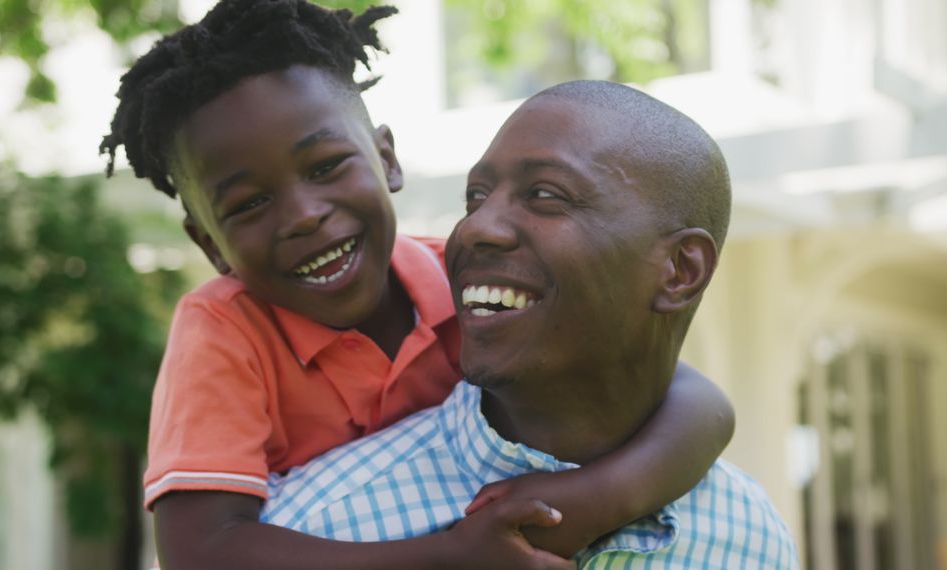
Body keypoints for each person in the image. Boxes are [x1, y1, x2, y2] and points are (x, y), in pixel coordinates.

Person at [99, 1, 735, 568]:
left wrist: (591, 502)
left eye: (326, 166)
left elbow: (702, 406)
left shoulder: (475, 278)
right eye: (248, 204)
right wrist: (449, 556)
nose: (302, 216)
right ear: (210, 244)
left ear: (387, 159)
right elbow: (200, 553)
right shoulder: (224, 331)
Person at [261, 79, 799, 568]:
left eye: (545, 195)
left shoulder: (750, 538)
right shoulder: (318, 529)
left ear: (680, 271)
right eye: (475, 197)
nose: (474, 228)